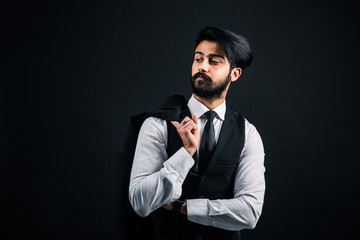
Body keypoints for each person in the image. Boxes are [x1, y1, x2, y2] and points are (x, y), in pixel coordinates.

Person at [128, 26, 265, 240]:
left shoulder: (248, 133)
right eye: (198, 59)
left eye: (214, 61)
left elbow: (249, 213)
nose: (202, 67)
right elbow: (140, 203)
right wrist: (185, 154)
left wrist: (184, 208)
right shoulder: (157, 124)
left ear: (235, 73)